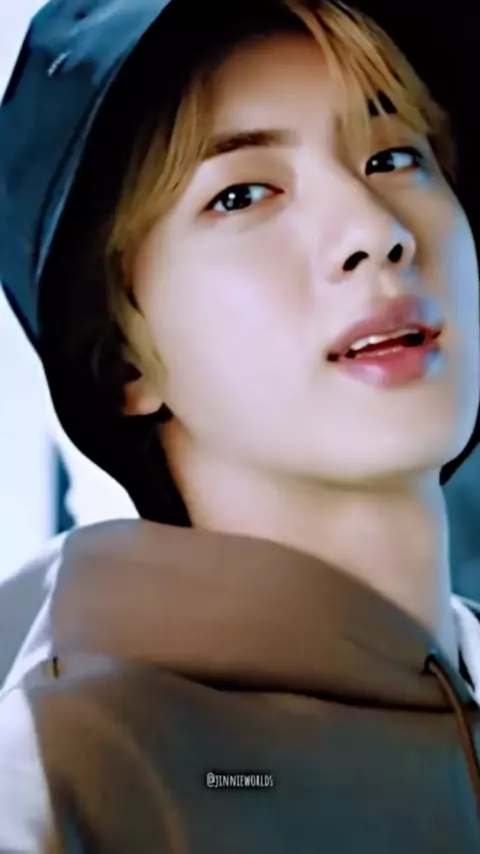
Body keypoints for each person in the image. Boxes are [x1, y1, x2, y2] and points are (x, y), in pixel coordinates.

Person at [0, 0, 480, 850]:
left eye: (394, 156)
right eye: (242, 195)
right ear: (121, 358)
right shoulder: (56, 789)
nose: (376, 232)